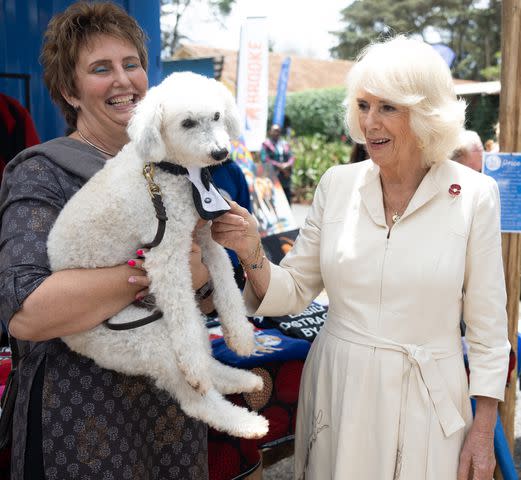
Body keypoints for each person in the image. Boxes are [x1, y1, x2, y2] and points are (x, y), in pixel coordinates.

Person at [212, 35, 509, 480]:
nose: (370, 122)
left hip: (430, 396)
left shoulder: (474, 196)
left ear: (426, 112)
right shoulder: (337, 184)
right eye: (364, 106)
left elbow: (488, 331)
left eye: (388, 107)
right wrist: (252, 250)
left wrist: (484, 431)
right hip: (339, 388)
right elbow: (292, 292)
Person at [0, 3, 211, 478]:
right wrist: (160, 267)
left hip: (172, 417)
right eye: (100, 69)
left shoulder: (173, 169)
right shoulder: (42, 172)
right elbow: (27, 312)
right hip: (82, 420)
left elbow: (204, 294)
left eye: (130, 64)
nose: (122, 80)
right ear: (70, 91)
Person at [260, 124, 295, 204]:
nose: (276, 133)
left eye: (278, 131)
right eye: (274, 130)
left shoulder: (284, 144)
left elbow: (291, 157)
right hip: (272, 177)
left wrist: (287, 165)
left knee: (286, 201)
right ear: (270, 132)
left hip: (285, 177)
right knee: (275, 202)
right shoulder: (266, 144)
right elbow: (265, 159)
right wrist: (279, 166)